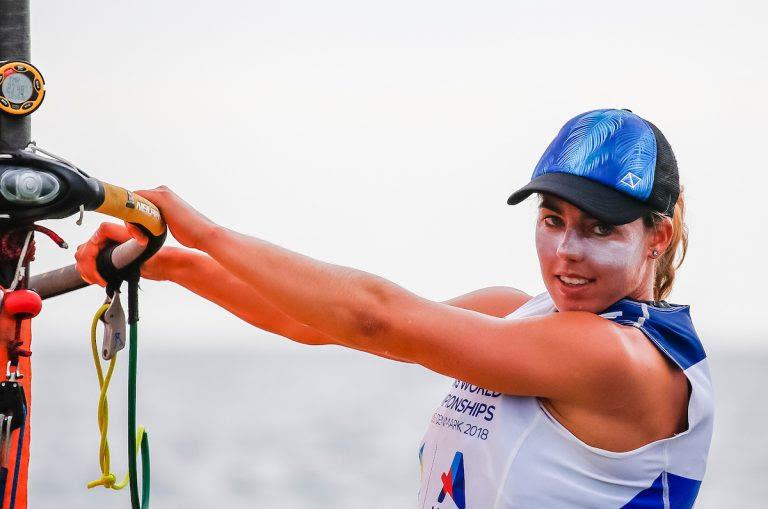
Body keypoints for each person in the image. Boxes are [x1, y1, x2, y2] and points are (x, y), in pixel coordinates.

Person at [75, 108, 713, 508]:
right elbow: (313, 322)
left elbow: (375, 317)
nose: (566, 252)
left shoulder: (621, 357)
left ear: (656, 236)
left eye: (600, 230)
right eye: (553, 220)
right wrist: (170, 264)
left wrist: (204, 232)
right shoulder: (521, 315)